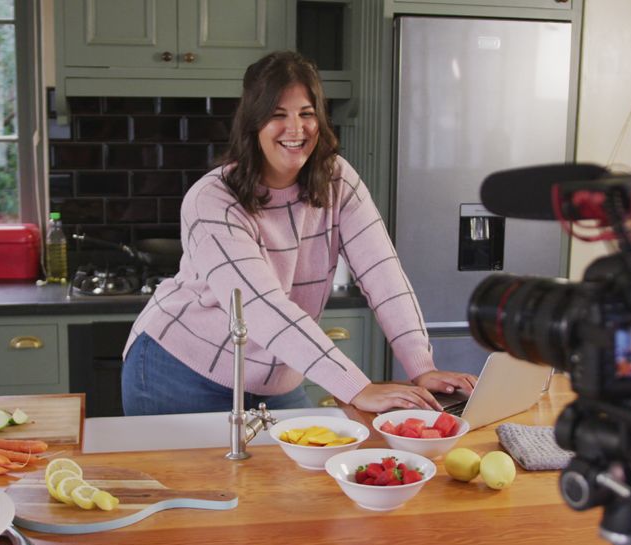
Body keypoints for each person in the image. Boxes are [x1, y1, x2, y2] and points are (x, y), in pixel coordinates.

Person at [121, 51, 477, 416]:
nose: (296, 129)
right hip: (179, 372)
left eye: (307, 114)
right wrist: (357, 388)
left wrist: (422, 367)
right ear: (252, 123)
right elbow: (261, 309)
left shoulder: (337, 179)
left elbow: (383, 274)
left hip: (275, 379)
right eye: (278, 115)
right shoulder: (212, 199)